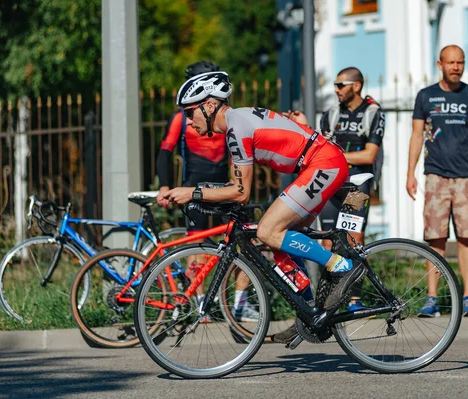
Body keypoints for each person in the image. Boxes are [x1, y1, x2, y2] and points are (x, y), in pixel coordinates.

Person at [165, 71, 366, 344]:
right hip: (318, 163)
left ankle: (341, 266)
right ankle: (308, 312)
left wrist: (193, 192)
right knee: (278, 239)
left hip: (323, 163)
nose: (188, 121)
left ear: (209, 106)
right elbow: (235, 184)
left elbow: (240, 192)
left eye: (190, 113)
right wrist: (202, 194)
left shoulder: (235, 129)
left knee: (267, 230)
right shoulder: (236, 122)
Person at [155, 61, 256, 322]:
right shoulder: (181, 118)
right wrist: (165, 186)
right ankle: (202, 305)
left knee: (242, 242)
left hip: (224, 184)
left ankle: (239, 304)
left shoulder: (225, 117)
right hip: (194, 184)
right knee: (196, 248)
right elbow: (165, 152)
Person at [285, 67, 385, 311]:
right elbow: (318, 147)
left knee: (353, 240)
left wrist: (337, 157)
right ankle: (329, 300)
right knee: (328, 243)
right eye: (335, 85)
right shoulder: (330, 114)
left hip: (357, 186)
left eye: (341, 85)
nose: (336, 89)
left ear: (357, 86)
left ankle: (355, 300)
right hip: (331, 183)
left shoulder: (373, 113)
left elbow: (369, 154)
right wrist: (303, 126)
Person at [406, 45, 468, 318]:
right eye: (451, 62)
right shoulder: (426, 96)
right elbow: (417, 135)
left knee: (466, 237)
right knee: (436, 238)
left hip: (466, 177)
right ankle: (433, 299)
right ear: (440, 64)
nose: (456, 67)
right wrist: (410, 172)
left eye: (461, 62)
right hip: (435, 176)